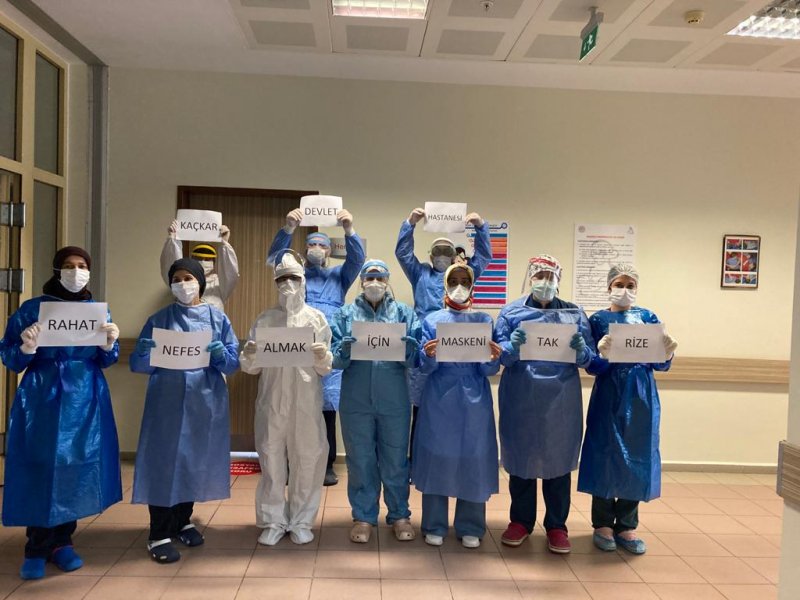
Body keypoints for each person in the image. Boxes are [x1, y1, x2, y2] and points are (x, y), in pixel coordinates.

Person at [0, 246, 121, 580]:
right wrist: (26, 347)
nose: (75, 271)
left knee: (74, 467)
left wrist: (109, 344)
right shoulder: (33, 310)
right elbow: (10, 357)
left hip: (85, 397)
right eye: (68, 265)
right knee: (40, 467)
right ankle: (36, 546)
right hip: (42, 396)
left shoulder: (97, 311)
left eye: (81, 265)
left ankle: (62, 542)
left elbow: (106, 359)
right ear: (56, 270)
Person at [130, 258, 240, 564]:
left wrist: (221, 355)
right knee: (163, 463)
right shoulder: (159, 319)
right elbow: (139, 366)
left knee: (193, 460)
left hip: (204, 401)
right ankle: (159, 533)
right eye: (176, 279)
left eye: (188, 278)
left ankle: (182, 521)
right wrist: (142, 353)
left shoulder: (217, 318)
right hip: (166, 402)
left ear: (200, 282)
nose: (182, 284)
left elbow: (232, 364)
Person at [494, 254, 599, 554]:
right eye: (539, 276)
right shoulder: (512, 313)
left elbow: (591, 360)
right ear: (530, 278)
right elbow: (499, 355)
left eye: (550, 277)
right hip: (521, 396)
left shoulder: (574, 314)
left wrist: (583, 352)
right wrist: (510, 348)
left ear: (558, 280)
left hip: (560, 400)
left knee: (558, 461)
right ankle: (520, 521)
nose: (545, 282)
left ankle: (556, 525)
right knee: (522, 461)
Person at [577, 264, 678, 555]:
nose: (624, 290)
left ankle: (627, 524)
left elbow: (660, 364)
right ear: (609, 287)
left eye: (630, 285)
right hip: (608, 392)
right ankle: (602, 523)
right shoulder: (597, 320)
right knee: (604, 453)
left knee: (638, 453)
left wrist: (667, 353)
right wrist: (603, 355)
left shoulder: (648, 318)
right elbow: (592, 365)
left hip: (641, 394)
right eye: (619, 284)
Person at [268, 207, 366, 486]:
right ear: (305, 249)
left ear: (329, 251)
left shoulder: (339, 276)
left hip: (328, 344)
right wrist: (288, 228)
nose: (317, 249)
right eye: (312, 244)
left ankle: (327, 465)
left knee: (327, 407)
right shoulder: (296, 275)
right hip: (297, 339)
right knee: (295, 402)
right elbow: (276, 259)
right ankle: (291, 463)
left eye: (322, 245)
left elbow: (357, 260)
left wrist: (348, 229)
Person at [240, 252, 333, 546]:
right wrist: (250, 354)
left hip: (305, 402)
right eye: (282, 279)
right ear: (275, 282)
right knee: (271, 460)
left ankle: (301, 521)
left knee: (308, 459)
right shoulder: (266, 319)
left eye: (294, 278)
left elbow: (325, 368)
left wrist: (323, 356)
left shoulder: (316, 319)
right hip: (271, 402)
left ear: (303, 281)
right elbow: (251, 368)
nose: (288, 284)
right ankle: (273, 521)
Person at [330, 259, 421, 544]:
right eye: (370, 277)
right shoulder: (345, 314)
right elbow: (334, 360)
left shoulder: (403, 313)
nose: (375, 283)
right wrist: (343, 352)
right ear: (361, 281)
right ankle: (364, 516)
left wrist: (410, 351)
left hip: (394, 399)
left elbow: (415, 360)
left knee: (396, 459)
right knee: (360, 459)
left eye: (380, 277)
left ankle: (399, 514)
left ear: (388, 280)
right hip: (356, 400)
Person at [412, 264, 501, 548]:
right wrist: (429, 355)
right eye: (453, 280)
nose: (459, 286)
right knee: (437, 456)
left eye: (464, 280)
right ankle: (434, 524)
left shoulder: (483, 320)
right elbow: (424, 366)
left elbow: (488, 370)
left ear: (473, 285)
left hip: (474, 398)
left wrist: (492, 358)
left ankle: (471, 525)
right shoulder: (432, 320)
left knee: (473, 457)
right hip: (440, 396)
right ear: (445, 284)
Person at [395, 208, 493, 452]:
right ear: (430, 256)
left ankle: (450, 460)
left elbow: (483, 257)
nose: (441, 256)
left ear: (455, 256)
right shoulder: (420, 274)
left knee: (451, 408)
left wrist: (481, 227)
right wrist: (410, 224)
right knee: (420, 409)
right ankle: (418, 461)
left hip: (458, 349)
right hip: (428, 345)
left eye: (447, 252)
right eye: (437, 251)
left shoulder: (462, 275)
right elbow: (403, 254)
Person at [160, 220, 240, 311]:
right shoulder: (183, 283)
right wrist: (172, 240)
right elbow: (171, 268)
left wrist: (224, 244)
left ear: (214, 262)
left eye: (207, 259)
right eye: (198, 258)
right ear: (191, 259)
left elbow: (230, 273)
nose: (203, 261)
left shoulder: (220, 285)